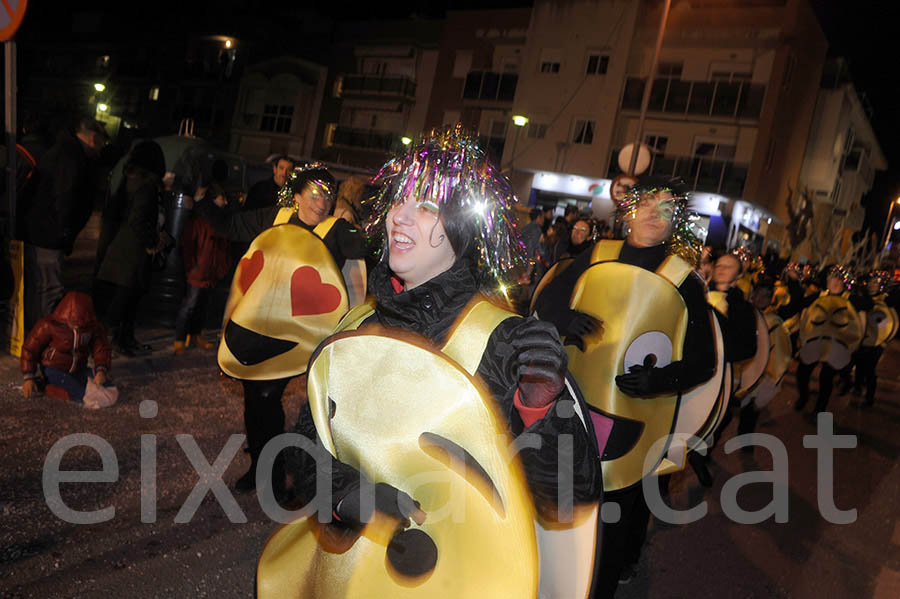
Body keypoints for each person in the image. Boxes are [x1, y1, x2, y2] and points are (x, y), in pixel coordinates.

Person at [274, 129, 602, 595]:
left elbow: (569, 498)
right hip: (347, 579)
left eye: (427, 205)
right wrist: (347, 494)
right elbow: (306, 444)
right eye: (398, 201)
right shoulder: (357, 322)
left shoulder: (504, 341)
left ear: (461, 230)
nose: (399, 218)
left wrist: (541, 411)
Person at [534, 176, 717, 594]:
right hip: (572, 411)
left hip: (632, 431)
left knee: (613, 526)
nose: (656, 214)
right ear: (630, 209)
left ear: (677, 222)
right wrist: (561, 319)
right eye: (649, 203)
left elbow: (704, 361)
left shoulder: (684, 280)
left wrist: (660, 380)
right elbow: (546, 301)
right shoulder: (596, 255)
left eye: (668, 208)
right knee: (561, 509)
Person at [194, 163, 368, 497]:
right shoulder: (276, 218)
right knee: (253, 401)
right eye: (314, 195)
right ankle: (262, 467)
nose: (321, 203)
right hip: (259, 328)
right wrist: (201, 199)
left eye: (328, 197)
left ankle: (273, 476)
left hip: (297, 338)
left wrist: (372, 224)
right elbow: (230, 225)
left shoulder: (336, 230)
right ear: (298, 196)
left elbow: (370, 248)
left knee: (267, 400)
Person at [22, 118, 107, 330]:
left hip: (43, 232)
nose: (103, 148)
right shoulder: (70, 156)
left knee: (40, 288)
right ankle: (45, 340)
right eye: (102, 142)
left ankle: (36, 338)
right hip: (49, 235)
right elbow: (64, 198)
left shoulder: (66, 151)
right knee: (49, 289)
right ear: (93, 138)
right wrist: (64, 233)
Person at [94, 140, 166, 357]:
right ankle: (109, 346)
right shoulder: (147, 185)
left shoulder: (128, 178)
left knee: (123, 301)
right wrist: (152, 242)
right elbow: (139, 219)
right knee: (125, 302)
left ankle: (120, 341)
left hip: (118, 248)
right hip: (133, 252)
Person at [795, 266, 866, 414]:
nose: (831, 281)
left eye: (835, 279)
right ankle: (803, 397)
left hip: (836, 345)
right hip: (816, 342)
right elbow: (803, 311)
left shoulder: (852, 300)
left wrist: (855, 344)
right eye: (829, 278)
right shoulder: (818, 296)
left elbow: (861, 320)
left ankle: (820, 407)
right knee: (802, 372)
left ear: (842, 282)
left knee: (826, 378)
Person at [21, 291, 111, 403]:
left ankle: (67, 383)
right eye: (74, 323)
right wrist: (28, 376)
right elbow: (29, 349)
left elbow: (101, 347)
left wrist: (101, 370)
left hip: (78, 368)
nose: (77, 326)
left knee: (107, 387)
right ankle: (46, 386)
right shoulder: (48, 325)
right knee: (80, 395)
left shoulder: (92, 327)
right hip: (53, 368)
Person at [173, 185, 231, 354]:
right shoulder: (199, 220)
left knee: (202, 306)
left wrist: (222, 267)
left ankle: (195, 335)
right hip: (198, 271)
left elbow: (224, 246)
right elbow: (189, 245)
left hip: (211, 271)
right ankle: (180, 339)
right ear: (213, 199)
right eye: (222, 198)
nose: (225, 202)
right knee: (190, 305)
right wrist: (191, 267)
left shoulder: (219, 220)